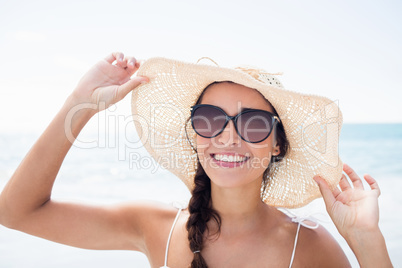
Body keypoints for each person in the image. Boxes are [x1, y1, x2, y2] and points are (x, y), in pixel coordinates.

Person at [0, 52, 392, 268]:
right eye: (209, 120)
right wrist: (80, 103)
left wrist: (365, 241)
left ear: (276, 143)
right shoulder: (156, 228)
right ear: (194, 133)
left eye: (253, 124)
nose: (228, 136)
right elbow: (17, 212)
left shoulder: (308, 247)